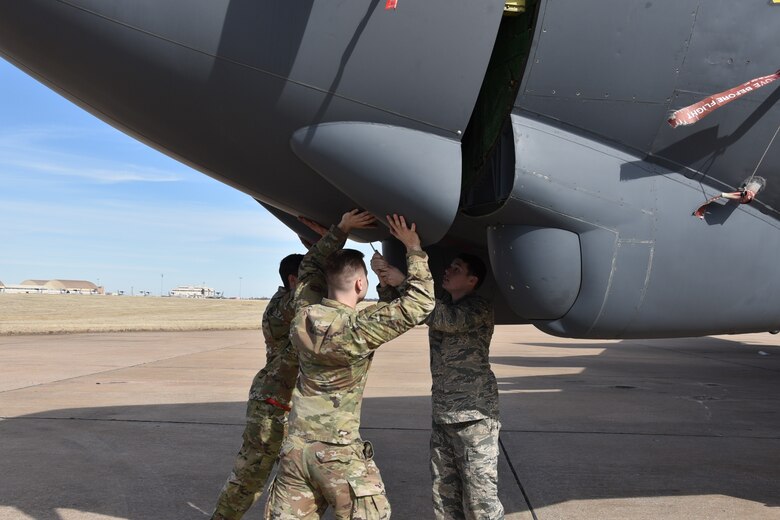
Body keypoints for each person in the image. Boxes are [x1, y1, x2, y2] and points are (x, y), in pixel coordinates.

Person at [265, 214, 435, 520]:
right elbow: (421, 303)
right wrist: (413, 248)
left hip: (296, 450)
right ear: (360, 284)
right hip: (337, 453)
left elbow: (308, 270)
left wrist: (339, 229)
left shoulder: (302, 316)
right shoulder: (359, 328)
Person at [210, 211, 374, 520]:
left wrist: (325, 242)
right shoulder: (285, 307)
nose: (320, 284)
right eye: (312, 280)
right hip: (273, 407)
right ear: (295, 281)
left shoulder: (294, 305)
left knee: (294, 483)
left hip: (286, 407)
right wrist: (334, 237)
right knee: (249, 478)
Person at [372, 253, 503, 520]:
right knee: (445, 496)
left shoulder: (478, 308)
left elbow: (444, 317)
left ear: (472, 280)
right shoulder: (439, 303)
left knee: (481, 501)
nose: (448, 270)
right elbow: (400, 308)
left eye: (457, 268)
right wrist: (385, 280)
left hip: (474, 417)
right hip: (443, 414)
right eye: (449, 265)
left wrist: (404, 281)